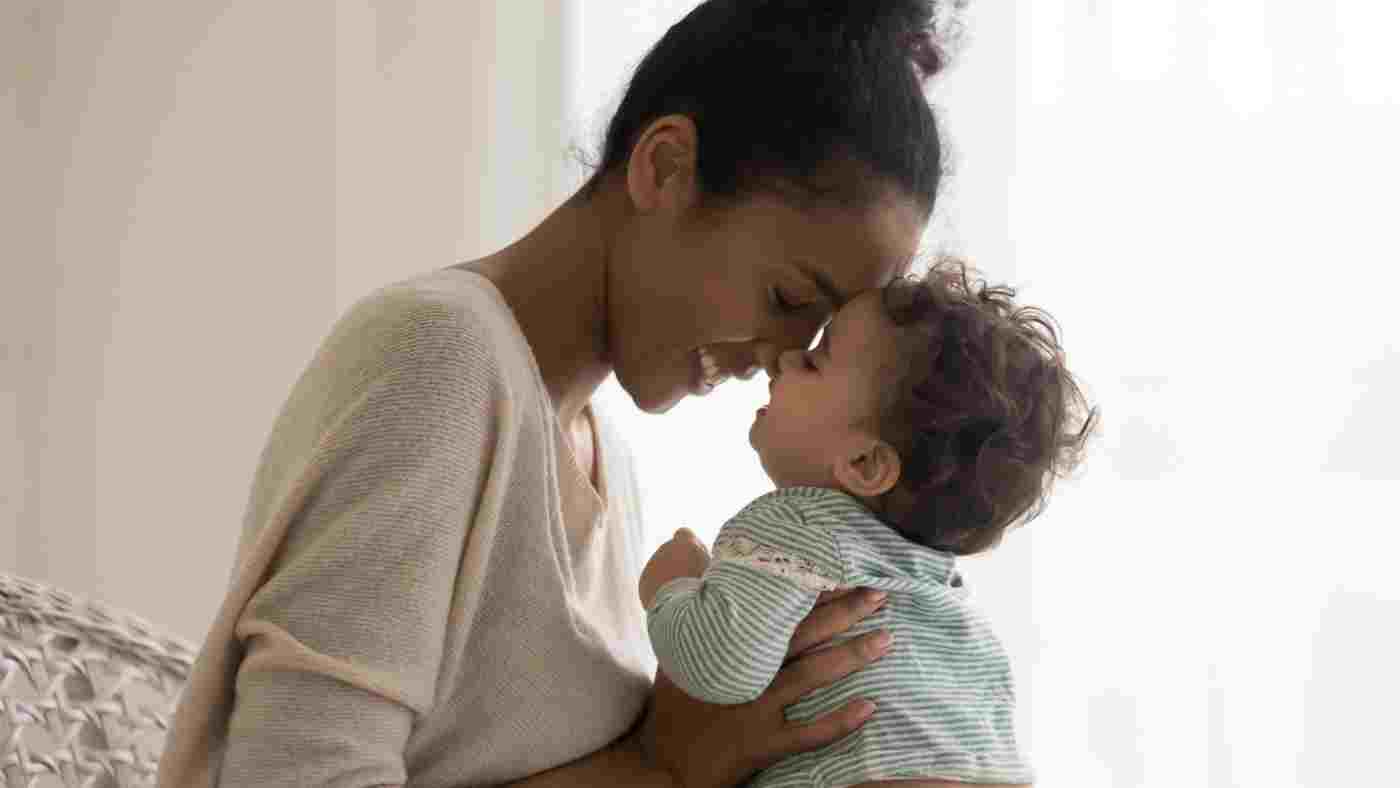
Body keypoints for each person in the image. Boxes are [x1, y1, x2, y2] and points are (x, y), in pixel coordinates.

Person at [156, 1, 1001, 786]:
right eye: (788, 301)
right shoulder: (439, 357)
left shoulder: (606, 461)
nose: (783, 358)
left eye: (820, 338)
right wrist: (658, 767)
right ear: (666, 168)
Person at [641, 262, 1097, 786]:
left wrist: (671, 583)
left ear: (864, 465)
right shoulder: (943, 602)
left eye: (814, 362)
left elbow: (719, 663)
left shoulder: (799, 523)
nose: (785, 357)